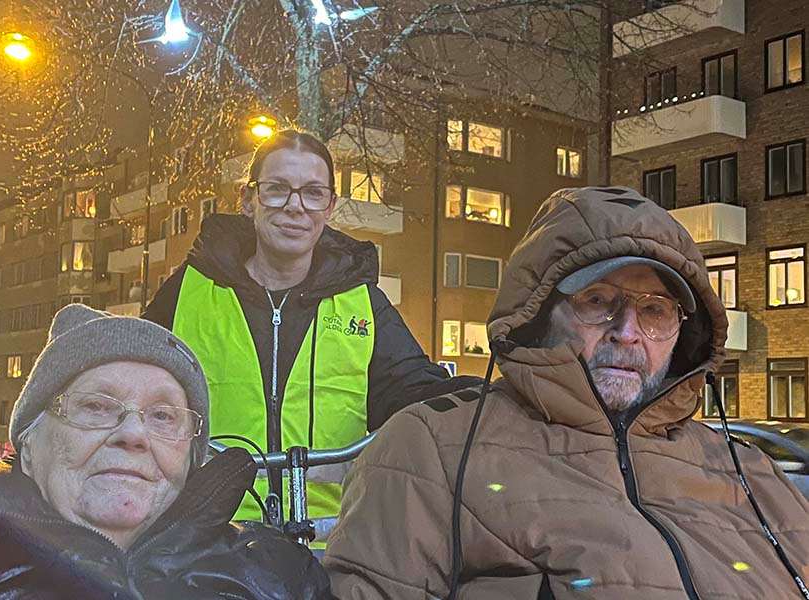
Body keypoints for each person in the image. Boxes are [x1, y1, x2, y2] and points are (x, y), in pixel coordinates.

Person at [324, 187, 809, 599]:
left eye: (655, 311)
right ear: (538, 315)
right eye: (597, 301)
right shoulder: (432, 451)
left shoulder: (748, 470)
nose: (627, 332)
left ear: (685, 333)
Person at [144, 129, 477, 538]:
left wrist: (495, 395)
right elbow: (129, 383)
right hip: (206, 541)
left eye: (313, 192)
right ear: (249, 201)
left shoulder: (363, 303)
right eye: (277, 190)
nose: (295, 206)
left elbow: (414, 393)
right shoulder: (190, 291)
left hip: (329, 545)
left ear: (330, 206)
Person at [0, 304, 332, 599]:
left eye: (164, 416)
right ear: (29, 447)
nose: (133, 434)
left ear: (191, 457)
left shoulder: (281, 576)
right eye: (96, 406)